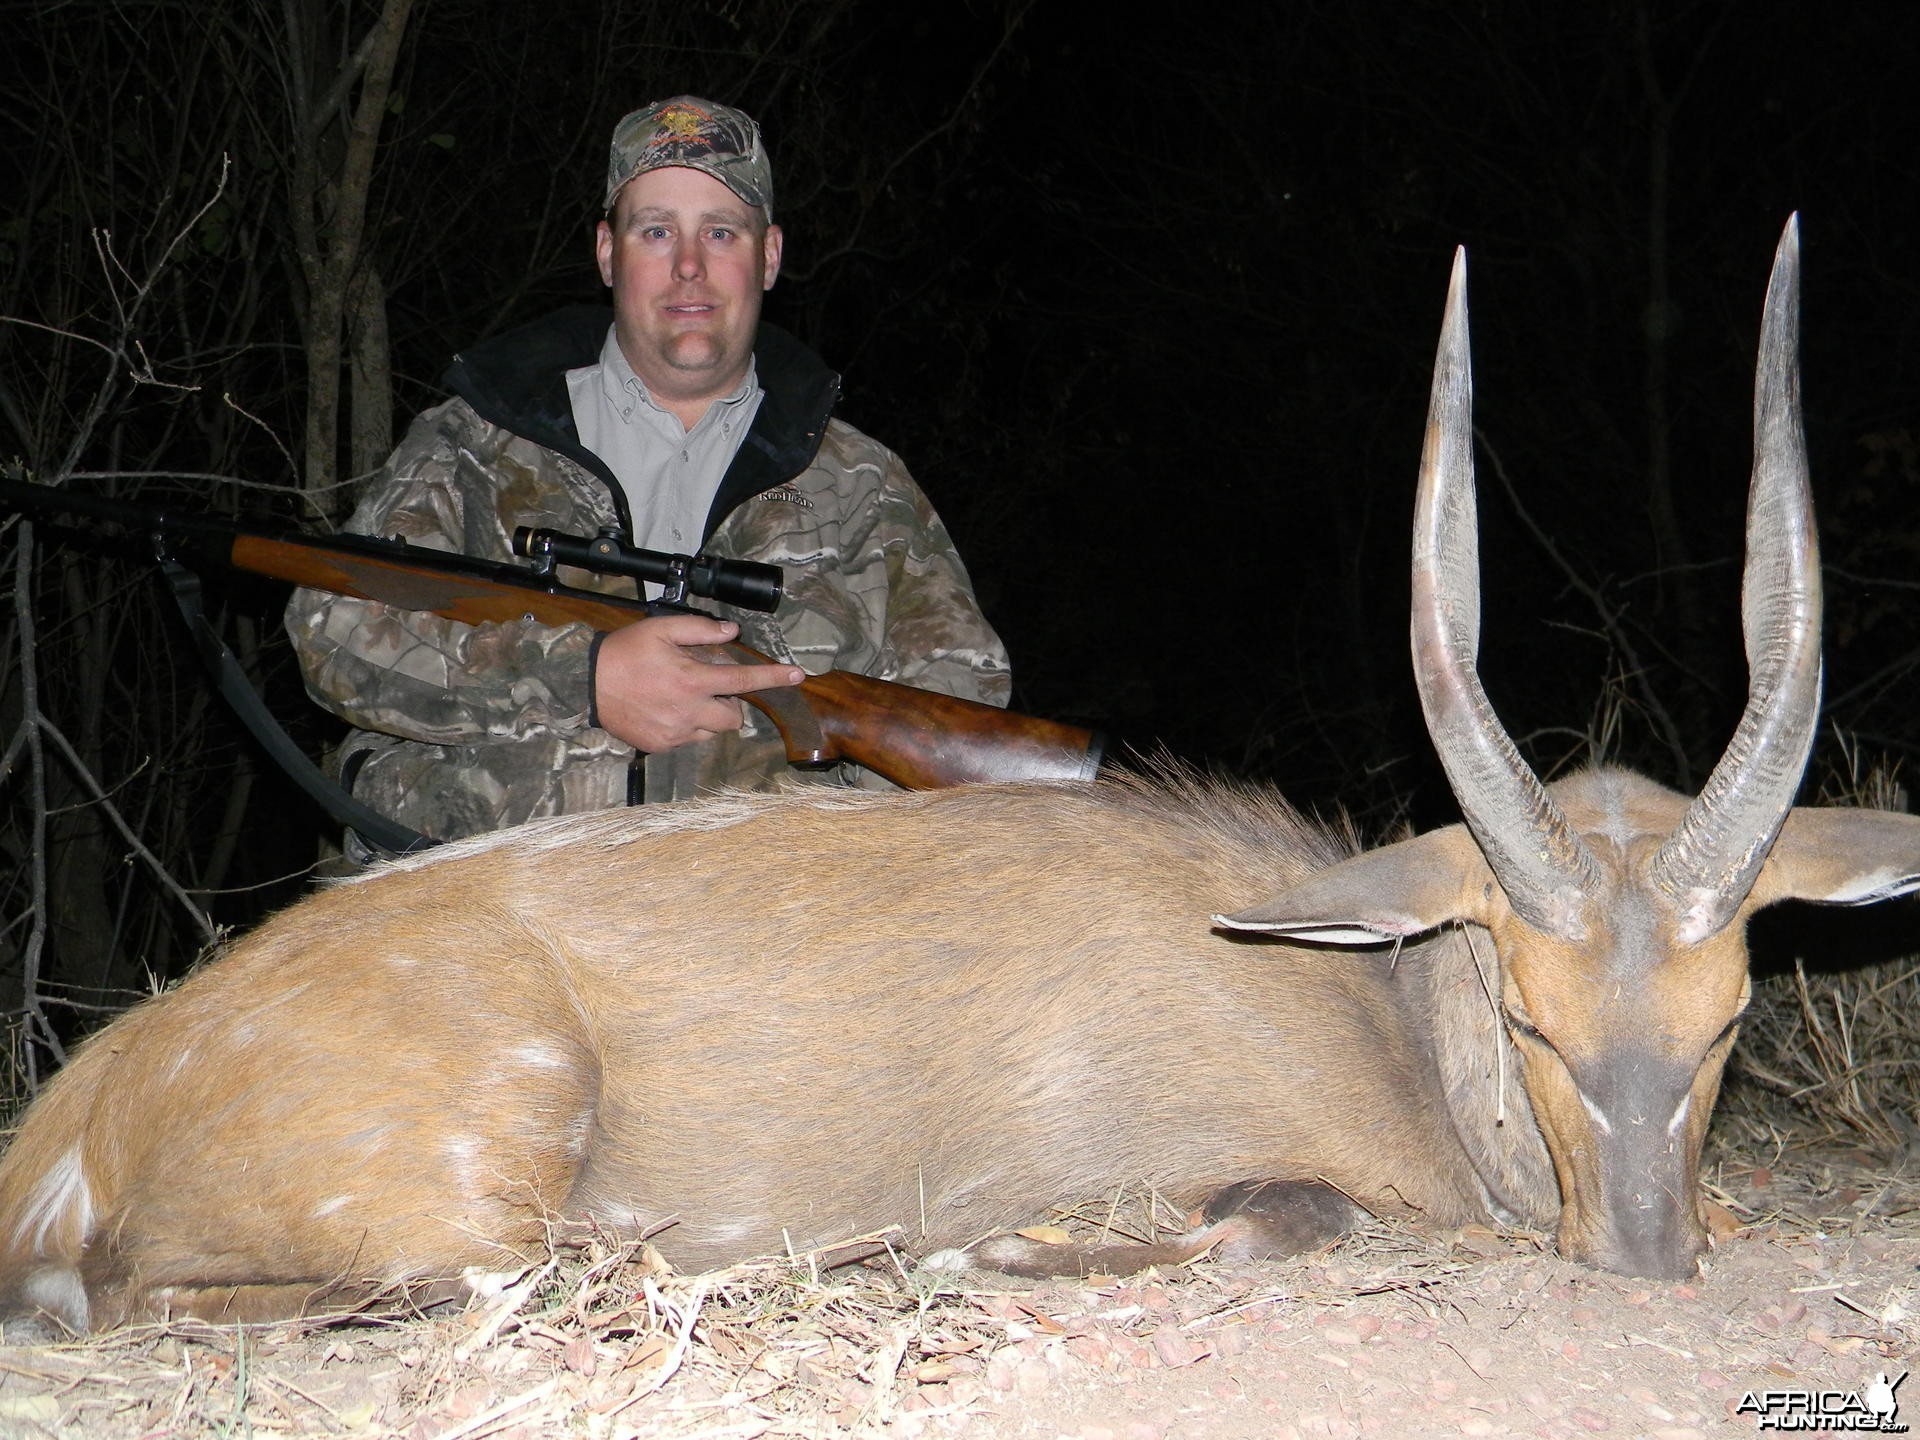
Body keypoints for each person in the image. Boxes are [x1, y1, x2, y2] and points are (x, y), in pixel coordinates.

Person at [286, 96, 1010, 852]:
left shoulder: (862, 487)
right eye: (656, 230)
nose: (688, 266)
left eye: (721, 232)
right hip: (485, 940)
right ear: (607, 252)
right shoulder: (475, 445)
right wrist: (581, 678)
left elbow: (964, 726)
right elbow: (331, 631)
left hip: (758, 956)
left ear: (768, 255)